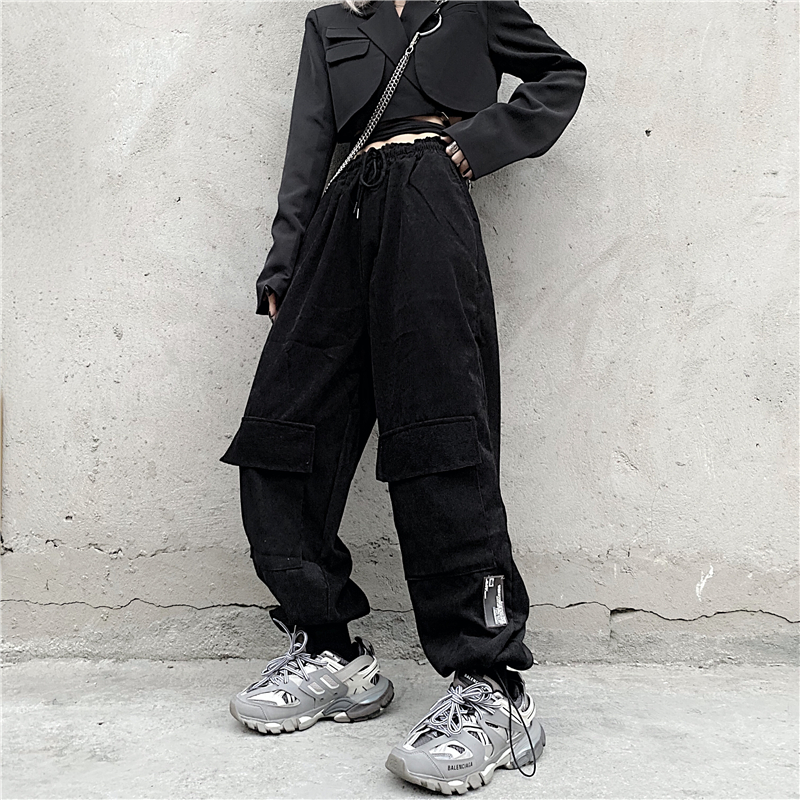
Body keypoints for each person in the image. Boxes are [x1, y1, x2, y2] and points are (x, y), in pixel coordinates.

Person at [220, 0, 586, 792]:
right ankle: (333, 652)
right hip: (339, 221)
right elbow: (308, 149)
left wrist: (475, 146)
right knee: (284, 431)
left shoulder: (471, 6)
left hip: (429, 205)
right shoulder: (329, 25)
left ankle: (494, 687)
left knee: (437, 436)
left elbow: (561, 76)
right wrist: (284, 261)